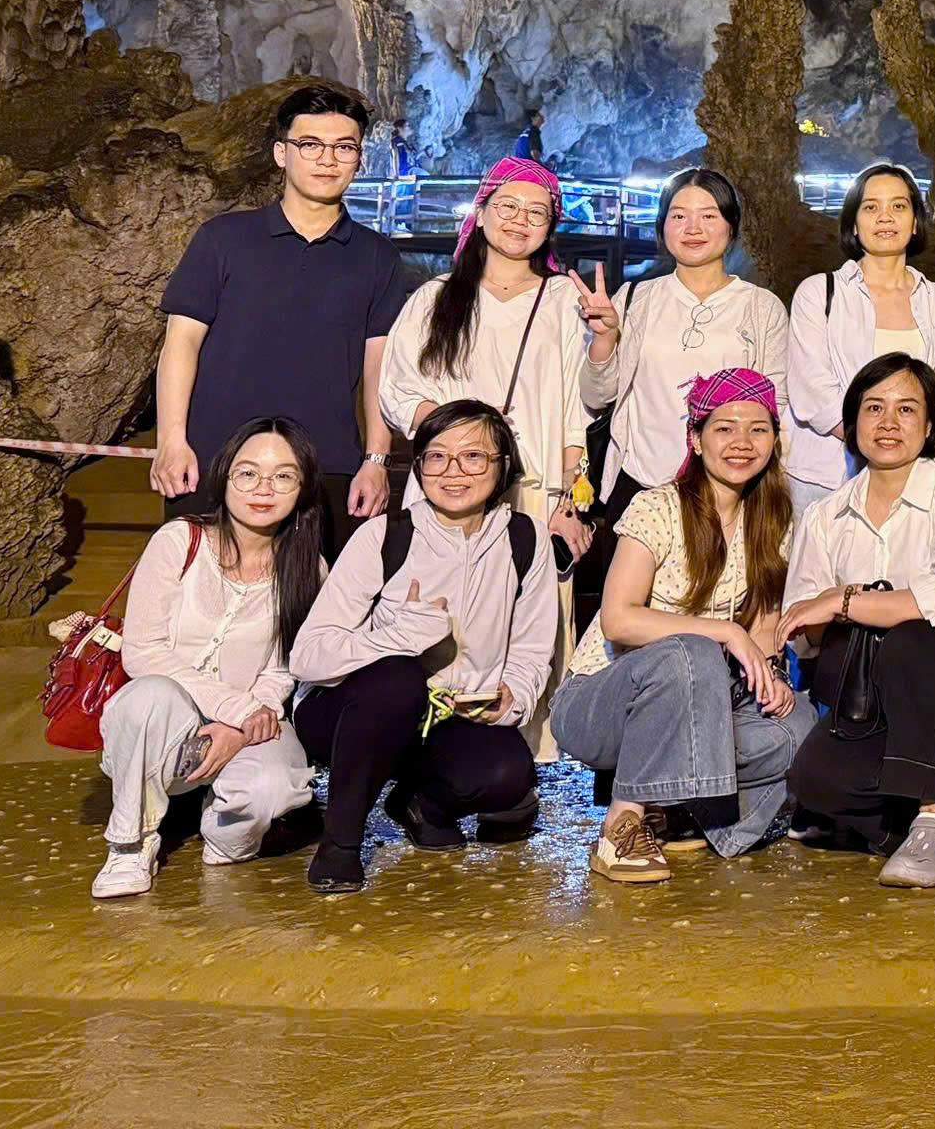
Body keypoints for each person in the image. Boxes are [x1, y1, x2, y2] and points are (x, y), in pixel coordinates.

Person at [552, 369, 812, 882]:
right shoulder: (657, 507)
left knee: (798, 726)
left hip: (704, 701)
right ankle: (623, 824)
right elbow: (618, 619)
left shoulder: (774, 518)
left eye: (758, 429)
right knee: (689, 651)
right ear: (696, 437)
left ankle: (686, 810)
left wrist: (772, 677)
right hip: (602, 704)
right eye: (725, 428)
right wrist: (726, 632)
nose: (742, 442)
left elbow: (764, 622)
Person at [289, 401, 560, 894]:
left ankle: (420, 804)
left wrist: (511, 697)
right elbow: (307, 657)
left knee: (505, 774)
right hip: (353, 715)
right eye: (436, 456)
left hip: (448, 716)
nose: (453, 472)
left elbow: (531, 646)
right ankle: (341, 842)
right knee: (399, 678)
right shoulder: (385, 536)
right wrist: (400, 637)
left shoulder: (526, 539)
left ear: (502, 465)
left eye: (473, 456)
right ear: (418, 467)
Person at [379, 156, 590, 750]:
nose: (520, 221)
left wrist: (572, 502)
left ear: (551, 225)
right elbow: (398, 388)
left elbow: (576, 408)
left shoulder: (562, 301)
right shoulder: (436, 298)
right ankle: (425, 746)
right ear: (482, 211)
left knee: (530, 616)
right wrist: (461, 438)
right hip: (449, 484)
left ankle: (520, 756)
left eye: (536, 212)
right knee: (438, 605)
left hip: (535, 487)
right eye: (508, 207)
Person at [153, 83, 411, 557]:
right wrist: (171, 440)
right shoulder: (223, 239)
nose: (327, 159)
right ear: (281, 153)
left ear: (359, 159)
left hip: (326, 464)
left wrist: (376, 460)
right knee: (196, 591)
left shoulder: (378, 257)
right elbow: (181, 343)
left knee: (315, 599)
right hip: (214, 459)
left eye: (344, 147)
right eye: (310, 144)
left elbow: (381, 365)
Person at [781, 354, 935, 888]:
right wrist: (815, 617)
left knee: (913, 639)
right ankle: (925, 805)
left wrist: (843, 601)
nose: (888, 423)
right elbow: (804, 635)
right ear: (853, 421)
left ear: (929, 427)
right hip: (867, 699)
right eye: (873, 408)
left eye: (906, 410)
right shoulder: (824, 516)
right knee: (813, 784)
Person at [91, 419, 324, 899]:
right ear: (225, 477)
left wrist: (241, 728)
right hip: (161, 726)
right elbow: (143, 651)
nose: (263, 488)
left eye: (283, 476)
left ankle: (222, 829)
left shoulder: (309, 567)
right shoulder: (179, 541)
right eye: (248, 473)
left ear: (303, 488)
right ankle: (130, 844)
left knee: (274, 788)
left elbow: (284, 668)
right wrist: (236, 709)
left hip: (247, 722)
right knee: (150, 696)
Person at [571, 167, 789, 522]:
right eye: (679, 216)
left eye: (709, 216)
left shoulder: (761, 308)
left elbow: (776, 408)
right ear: (662, 226)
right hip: (641, 484)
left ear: (731, 226)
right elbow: (597, 398)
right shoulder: (635, 299)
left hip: (729, 492)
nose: (693, 228)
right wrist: (605, 338)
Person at [786, 164, 935, 518]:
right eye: (871, 207)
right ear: (854, 223)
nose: (885, 217)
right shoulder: (819, 293)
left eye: (899, 206)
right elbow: (811, 389)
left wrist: (895, 454)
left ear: (915, 222)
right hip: (824, 478)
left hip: (908, 480)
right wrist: (877, 445)